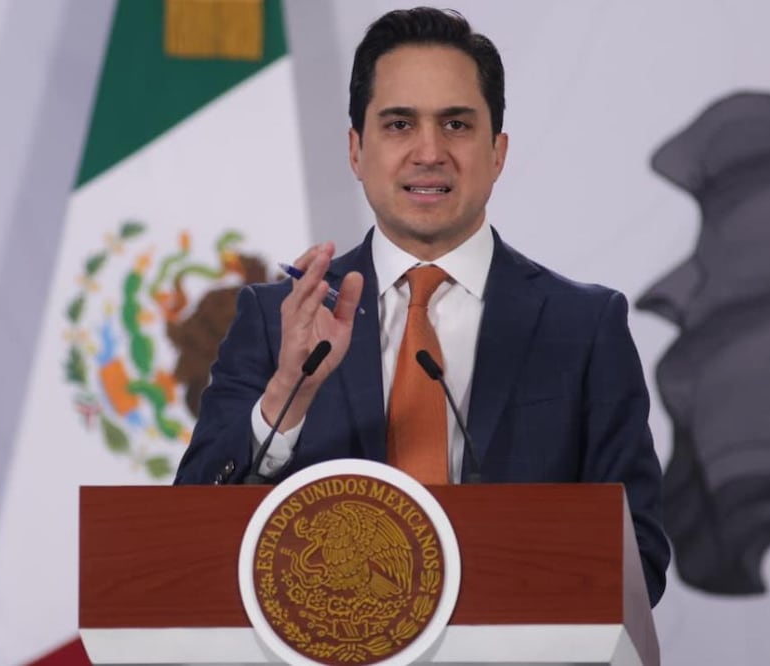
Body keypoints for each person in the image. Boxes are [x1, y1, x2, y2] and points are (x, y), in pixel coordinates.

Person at [174, 6, 669, 606]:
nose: (429, 152)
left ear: (498, 152)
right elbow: (190, 532)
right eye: (399, 124)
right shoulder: (276, 322)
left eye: (457, 124)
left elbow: (637, 555)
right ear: (356, 150)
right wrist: (287, 396)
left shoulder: (584, 328)